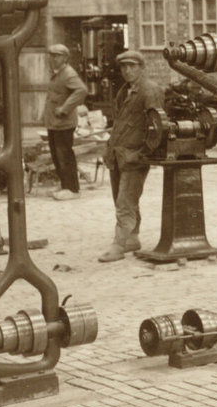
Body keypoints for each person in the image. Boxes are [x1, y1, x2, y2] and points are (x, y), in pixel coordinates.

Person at [99, 50, 164, 262]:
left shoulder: (149, 91)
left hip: (133, 157)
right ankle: (133, 238)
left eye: (132, 66)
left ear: (141, 67)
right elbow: (119, 121)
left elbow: (157, 127)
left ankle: (118, 245)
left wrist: (142, 154)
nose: (127, 71)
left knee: (125, 201)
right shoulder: (125, 91)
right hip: (118, 154)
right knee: (123, 197)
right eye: (124, 67)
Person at [44, 43, 88, 200]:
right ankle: (64, 185)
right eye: (51, 56)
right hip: (54, 123)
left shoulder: (69, 74)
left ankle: (72, 189)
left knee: (65, 156)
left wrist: (65, 108)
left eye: (56, 56)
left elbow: (82, 90)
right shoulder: (57, 73)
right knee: (57, 155)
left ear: (65, 58)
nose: (53, 59)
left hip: (64, 123)